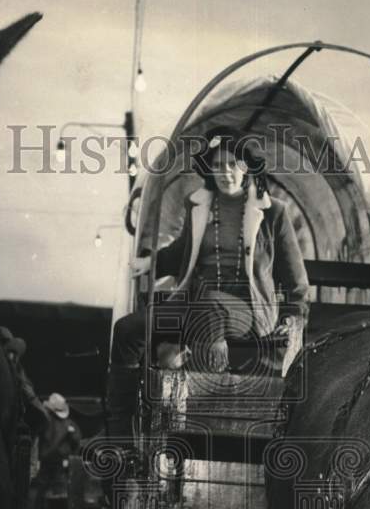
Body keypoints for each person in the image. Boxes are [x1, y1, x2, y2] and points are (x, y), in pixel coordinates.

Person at [104, 126, 310, 443]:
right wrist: (151, 261)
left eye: (232, 163)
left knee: (209, 305)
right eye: (218, 165)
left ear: (245, 166)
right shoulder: (198, 204)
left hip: (251, 312)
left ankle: (204, 422)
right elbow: (182, 250)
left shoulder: (273, 213)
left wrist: (293, 318)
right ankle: (120, 436)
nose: (226, 172)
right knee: (127, 331)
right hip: (198, 306)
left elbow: (295, 279)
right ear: (209, 169)